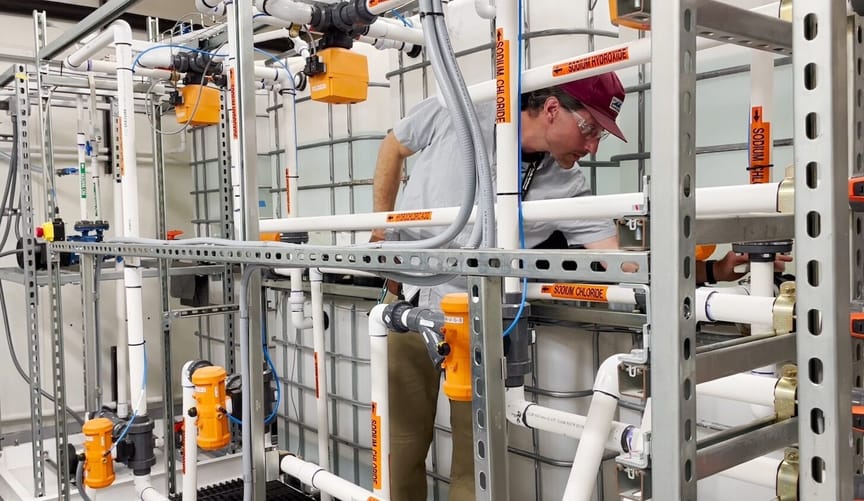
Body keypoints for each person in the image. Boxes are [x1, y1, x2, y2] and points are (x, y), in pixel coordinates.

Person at [370, 73, 769, 500]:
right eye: (590, 129)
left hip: (479, 322)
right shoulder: (465, 106)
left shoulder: (567, 184)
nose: (593, 146)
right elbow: (395, 144)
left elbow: (620, 258)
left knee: (476, 462)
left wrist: (713, 271)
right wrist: (380, 224)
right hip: (406, 302)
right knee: (400, 449)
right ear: (552, 109)